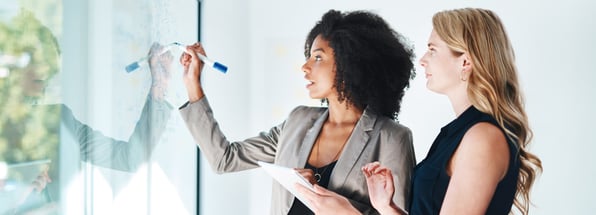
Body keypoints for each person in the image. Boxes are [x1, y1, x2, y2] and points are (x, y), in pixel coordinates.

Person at [296, 7, 543, 215]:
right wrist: (387, 206)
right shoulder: (457, 133)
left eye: (433, 50)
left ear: (465, 62)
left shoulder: (482, 138)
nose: (423, 60)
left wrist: (347, 212)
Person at [178, 9, 416, 214]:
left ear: (350, 63)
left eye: (318, 58)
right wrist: (192, 85)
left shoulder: (392, 138)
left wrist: (328, 200)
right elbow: (224, 159)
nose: (305, 66)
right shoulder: (298, 121)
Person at [0, 9, 173, 214]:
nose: (44, 71)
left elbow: (129, 158)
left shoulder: (59, 122)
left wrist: (159, 87)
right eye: (36, 60)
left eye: (49, 63)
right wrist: (14, 198)